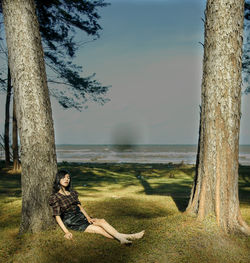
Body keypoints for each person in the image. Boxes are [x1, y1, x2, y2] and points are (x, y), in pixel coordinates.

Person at [49, 169, 145, 245]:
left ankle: (123, 238)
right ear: (58, 179)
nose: (66, 180)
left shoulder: (72, 193)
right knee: (99, 230)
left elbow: (80, 207)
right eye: (64, 178)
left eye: (68, 178)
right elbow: (57, 216)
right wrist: (66, 232)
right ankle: (129, 237)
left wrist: (88, 217)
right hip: (72, 221)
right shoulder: (56, 197)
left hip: (81, 217)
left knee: (101, 221)